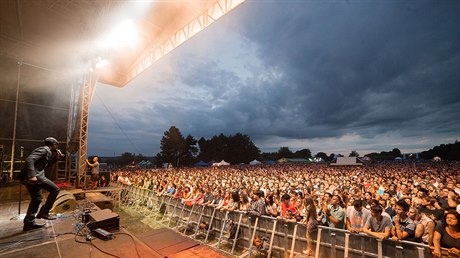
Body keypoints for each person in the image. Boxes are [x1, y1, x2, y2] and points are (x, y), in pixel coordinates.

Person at [20, 137, 63, 231]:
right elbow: (29, 159)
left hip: (34, 176)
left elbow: (45, 166)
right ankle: (44, 212)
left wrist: (56, 158)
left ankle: (28, 223)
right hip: (35, 176)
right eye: (57, 145)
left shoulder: (48, 152)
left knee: (37, 198)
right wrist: (32, 175)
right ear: (54, 144)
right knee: (55, 189)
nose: (57, 147)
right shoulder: (44, 149)